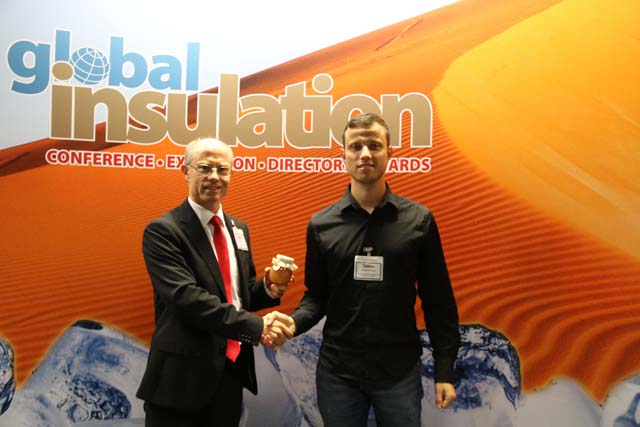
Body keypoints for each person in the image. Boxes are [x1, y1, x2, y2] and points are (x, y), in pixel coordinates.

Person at [289, 113, 460, 427]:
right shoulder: (321, 225)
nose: (365, 153)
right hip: (339, 374)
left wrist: (445, 370)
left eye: (374, 145)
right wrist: (291, 323)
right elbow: (316, 298)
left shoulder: (418, 220)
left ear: (389, 152)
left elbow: (438, 300)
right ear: (343, 155)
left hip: (399, 372)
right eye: (356, 146)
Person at [136, 137, 295, 427]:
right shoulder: (163, 231)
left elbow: (236, 295)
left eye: (223, 170)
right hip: (180, 382)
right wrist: (257, 326)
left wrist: (266, 288)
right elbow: (186, 299)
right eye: (205, 168)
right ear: (185, 171)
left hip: (230, 375)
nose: (214, 177)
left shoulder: (238, 229)